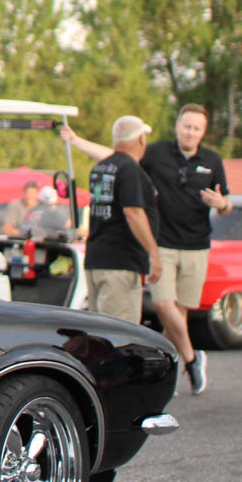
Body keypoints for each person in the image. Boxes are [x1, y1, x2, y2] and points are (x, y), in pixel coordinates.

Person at [63, 104, 227, 394]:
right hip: (154, 246)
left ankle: (166, 369)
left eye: (197, 128)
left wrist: (222, 204)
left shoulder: (212, 159)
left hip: (193, 244)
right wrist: (77, 142)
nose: (190, 132)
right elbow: (132, 207)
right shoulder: (146, 159)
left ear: (203, 132)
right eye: (186, 126)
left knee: (175, 315)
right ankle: (187, 361)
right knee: (146, 316)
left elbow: (227, 201)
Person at [83, 115, 164, 325]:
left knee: (99, 328)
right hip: (120, 261)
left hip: (97, 257)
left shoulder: (101, 167)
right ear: (141, 139)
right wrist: (153, 253)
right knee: (119, 330)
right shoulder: (130, 169)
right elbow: (133, 212)